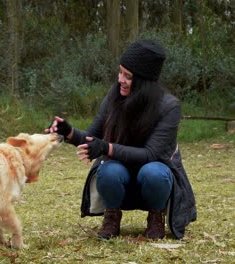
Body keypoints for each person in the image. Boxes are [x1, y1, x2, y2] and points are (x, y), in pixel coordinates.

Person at [46, 39, 196, 240]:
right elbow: (92, 138)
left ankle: (156, 217)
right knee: (108, 170)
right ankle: (112, 217)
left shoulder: (169, 107)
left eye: (128, 76)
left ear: (144, 81)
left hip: (153, 182)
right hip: (119, 181)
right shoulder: (114, 95)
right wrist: (68, 132)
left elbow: (150, 154)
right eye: (120, 72)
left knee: (154, 172)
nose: (120, 80)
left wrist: (106, 147)